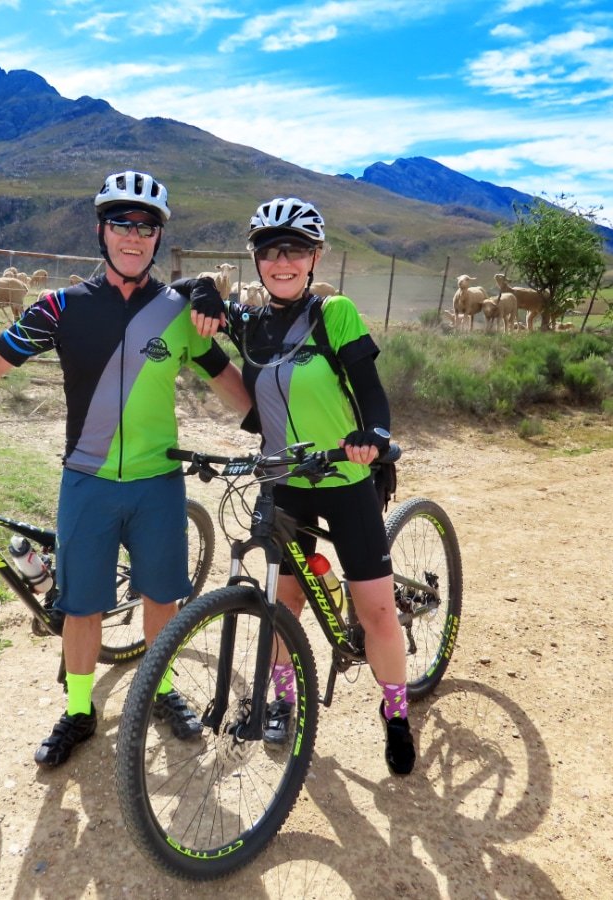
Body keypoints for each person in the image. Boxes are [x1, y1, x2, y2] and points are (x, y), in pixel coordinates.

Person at [0, 171, 250, 768]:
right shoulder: (62, 307)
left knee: (161, 599)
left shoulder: (177, 311)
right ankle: (80, 709)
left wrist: (275, 434)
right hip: (87, 479)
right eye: (122, 223)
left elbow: (225, 378)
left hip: (157, 483)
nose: (133, 236)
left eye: (146, 227)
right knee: (83, 605)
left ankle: (163, 689)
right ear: (101, 231)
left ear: (158, 238)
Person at [181, 197, 416, 776]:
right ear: (256, 260)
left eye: (294, 250)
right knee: (282, 599)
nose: (281, 261)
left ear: (314, 256)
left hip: (344, 475)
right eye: (268, 251)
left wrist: (375, 434)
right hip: (283, 479)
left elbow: (370, 387)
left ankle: (397, 713)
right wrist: (201, 290)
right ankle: (283, 699)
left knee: (377, 609)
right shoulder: (251, 323)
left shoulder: (334, 313)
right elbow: (181, 289)